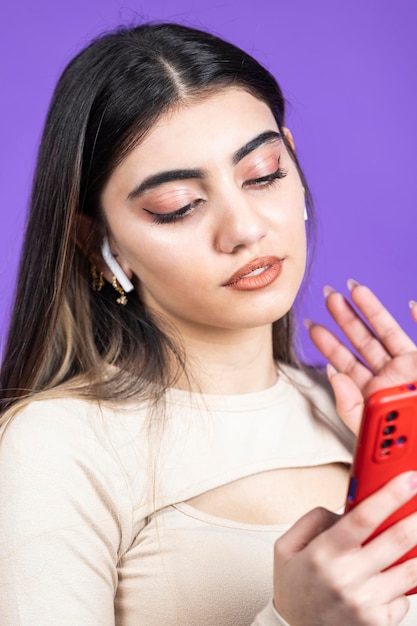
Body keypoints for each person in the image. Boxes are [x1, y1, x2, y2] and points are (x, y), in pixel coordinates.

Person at [1, 22, 417, 626]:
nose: (245, 229)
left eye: (264, 173)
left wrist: (398, 460)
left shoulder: (358, 417)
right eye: (179, 207)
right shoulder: (57, 445)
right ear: (97, 242)